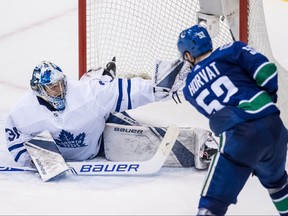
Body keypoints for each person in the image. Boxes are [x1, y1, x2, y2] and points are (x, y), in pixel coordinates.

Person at [4, 58, 217, 171]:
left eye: (61, 84)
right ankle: (98, 74)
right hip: (70, 151)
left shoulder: (87, 95)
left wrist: (156, 89)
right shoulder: (23, 111)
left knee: (134, 140)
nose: (60, 90)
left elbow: (121, 91)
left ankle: (199, 144)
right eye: (53, 87)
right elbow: (14, 136)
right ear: (39, 89)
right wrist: (28, 161)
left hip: (100, 140)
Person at [176, 24, 288, 215]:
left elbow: (218, 115)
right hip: (274, 128)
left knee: (211, 204)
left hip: (240, 136)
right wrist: (267, 99)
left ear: (188, 55)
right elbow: (267, 71)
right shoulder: (232, 49)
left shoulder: (189, 90)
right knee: (278, 184)